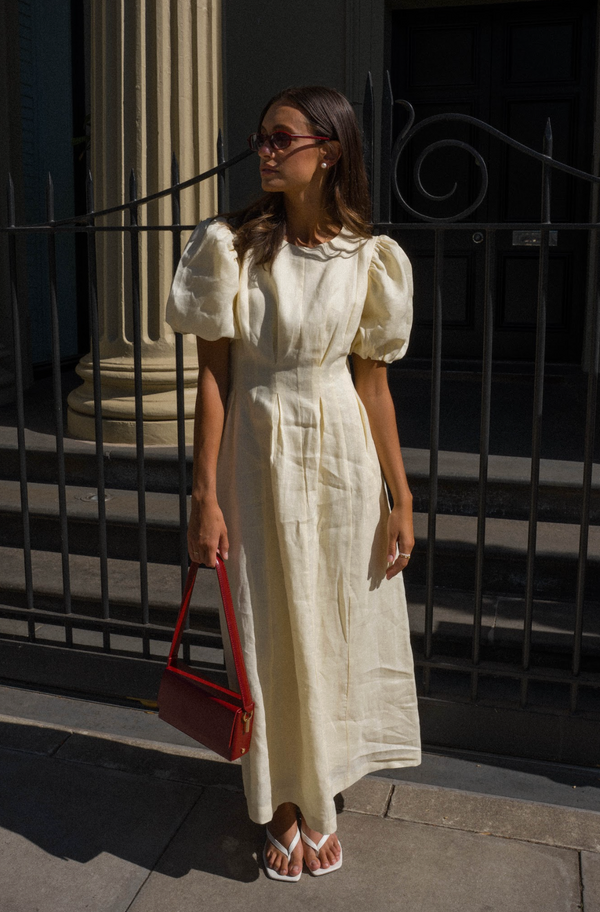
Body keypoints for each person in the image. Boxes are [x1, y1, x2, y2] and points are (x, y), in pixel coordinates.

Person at [166, 85, 421, 882]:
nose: (265, 151)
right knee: (268, 620)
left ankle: (322, 793)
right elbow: (212, 380)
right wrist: (204, 494)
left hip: (342, 455)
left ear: (330, 149)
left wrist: (400, 496)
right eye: (263, 138)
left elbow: (373, 386)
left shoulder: (367, 258)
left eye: (281, 138)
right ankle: (281, 802)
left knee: (336, 623)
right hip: (257, 451)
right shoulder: (230, 248)